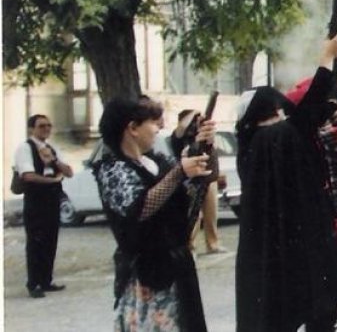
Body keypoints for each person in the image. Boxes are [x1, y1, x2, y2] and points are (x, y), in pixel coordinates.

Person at [234, 37, 337, 332]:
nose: (284, 115)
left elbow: (312, 119)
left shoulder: (266, 141)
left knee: (316, 312)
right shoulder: (266, 141)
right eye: (279, 112)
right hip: (288, 246)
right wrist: (326, 60)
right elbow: (305, 118)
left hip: (295, 242)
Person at [94, 96, 214, 331]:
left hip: (176, 267)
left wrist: (205, 146)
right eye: (153, 121)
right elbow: (140, 208)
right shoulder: (113, 169)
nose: (159, 127)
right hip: (147, 273)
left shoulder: (158, 162)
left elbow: (196, 188)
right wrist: (180, 172)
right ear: (132, 128)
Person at [14, 114, 73, 298]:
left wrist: (54, 161)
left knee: (50, 239)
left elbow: (69, 171)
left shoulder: (51, 147)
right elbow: (27, 175)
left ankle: (46, 279)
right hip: (36, 199)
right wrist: (52, 181)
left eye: (48, 125)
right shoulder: (25, 148)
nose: (46, 129)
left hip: (52, 199)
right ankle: (34, 283)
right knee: (36, 241)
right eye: (41, 126)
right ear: (32, 129)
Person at [170, 110, 226, 255]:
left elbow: (212, 153)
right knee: (194, 217)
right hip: (192, 182)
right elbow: (181, 128)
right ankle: (190, 246)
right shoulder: (180, 138)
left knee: (211, 215)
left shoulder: (203, 136)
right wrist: (194, 112)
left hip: (210, 179)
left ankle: (212, 244)